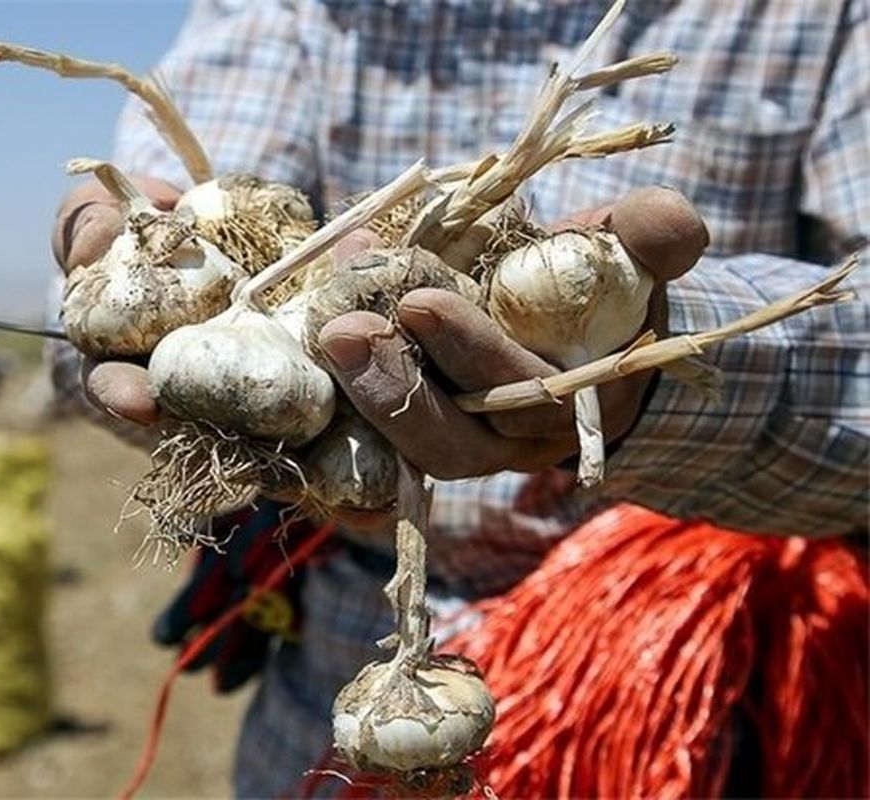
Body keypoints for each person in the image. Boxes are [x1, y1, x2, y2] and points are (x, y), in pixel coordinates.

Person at [47, 1, 868, 796]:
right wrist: (123, 265)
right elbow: (183, 237)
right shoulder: (303, 9)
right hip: (341, 667)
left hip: (691, 669)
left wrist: (650, 369)